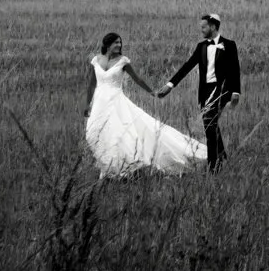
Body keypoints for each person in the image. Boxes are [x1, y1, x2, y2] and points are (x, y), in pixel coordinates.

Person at [85, 32, 207, 177]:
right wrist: (87, 104)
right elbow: (92, 84)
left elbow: (138, 79)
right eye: (115, 42)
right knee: (95, 133)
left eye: (120, 42)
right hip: (100, 103)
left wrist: (152, 92)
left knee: (117, 133)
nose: (119, 45)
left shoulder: (123, 61)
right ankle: (108, 165)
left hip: (116, 102)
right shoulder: (96, 60)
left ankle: (120, 169)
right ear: (107, 44)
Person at [158, 12, 242, 171]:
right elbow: (187, 66)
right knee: (211, 124)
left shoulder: (229, 45)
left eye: (204, 27)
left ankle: (213, 168)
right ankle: (221, 154)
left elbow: (234, 69)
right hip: (205, 91)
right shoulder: (201, 46)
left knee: (209, 124)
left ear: (213, 26)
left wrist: (236, 92)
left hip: (221, 90)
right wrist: (170, 85)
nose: (201, 30)